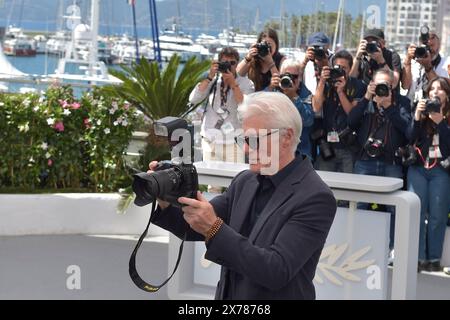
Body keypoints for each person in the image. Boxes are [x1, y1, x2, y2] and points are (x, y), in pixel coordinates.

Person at [149, 92, 337, 300]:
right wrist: (166, 200)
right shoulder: (245, 181)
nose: (246, 149)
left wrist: (213, 228)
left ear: (287, 137)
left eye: (255, 139)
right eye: (244, 139)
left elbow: (276, 270)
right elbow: (194, 227)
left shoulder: (315, 197)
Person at [348, 69, 411, 250]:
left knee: (393, 208)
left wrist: (390, 107)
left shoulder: (402, 103)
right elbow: (351, 122)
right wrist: (367, 97)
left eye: (386, 85)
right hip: (365, 161)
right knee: (359, 204)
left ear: (393, 86)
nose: (382, 89)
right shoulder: (366, 101)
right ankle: (355, 246)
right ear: (371, 84)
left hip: (391, 162)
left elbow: (408, 131)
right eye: (378, 85)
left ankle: (393, 248)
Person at [406, 77, 450, 272]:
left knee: (438, 215)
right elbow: (409, 136)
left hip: (441, 169)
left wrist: (441, 122)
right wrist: (417, 116)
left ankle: (433, 258)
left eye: (440, 89)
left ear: (447, 95)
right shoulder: (420, 109)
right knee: (417, 212)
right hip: (418, 168)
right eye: (432, 89)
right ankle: (417, 257)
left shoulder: (447, 116)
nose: (435, 92)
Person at [189, 47, 255, 164]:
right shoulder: (213, 81)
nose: (229, 66)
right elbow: (193, 99)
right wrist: (209, 77)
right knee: (213, 181)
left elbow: (246, 106)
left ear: (237, 64)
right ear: (218, 64)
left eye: (232, 63)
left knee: (234, 180)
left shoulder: (246, 83)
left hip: (234, 142)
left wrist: (233, 84)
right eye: (225, 63)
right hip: (210, 140)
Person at [312, 50, 366, 173]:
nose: (340, 71)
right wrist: (322, 81)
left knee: (347, 186)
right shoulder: (326, 84)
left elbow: (352, 114)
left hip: (348, 146)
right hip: (328, 146)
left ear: (350, 68)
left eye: (344, 68)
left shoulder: (358, 86)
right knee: (325, 184)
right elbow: (316, 107)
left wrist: (341, 92)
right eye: (337, 67)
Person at [269, 59, 315, 159]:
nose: (290, 79)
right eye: (286, 75)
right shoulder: (273, 91)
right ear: (280, 75)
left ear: (300, 78)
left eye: (294, 77)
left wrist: (294, 97)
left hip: (300, 151)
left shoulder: (305, 94)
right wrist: (270, 88)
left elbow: (308, 121)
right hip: (275, 150)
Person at [401, 30, 450, 108]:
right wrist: (408, 60)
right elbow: (405, 86)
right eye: (426, 46)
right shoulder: (413, 63)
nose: (429, 50)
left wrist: (428, 67)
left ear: (439, 45)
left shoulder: (447, 63)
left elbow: (444, 88)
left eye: (432, 45)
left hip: (436, 111)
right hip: (412, 109)